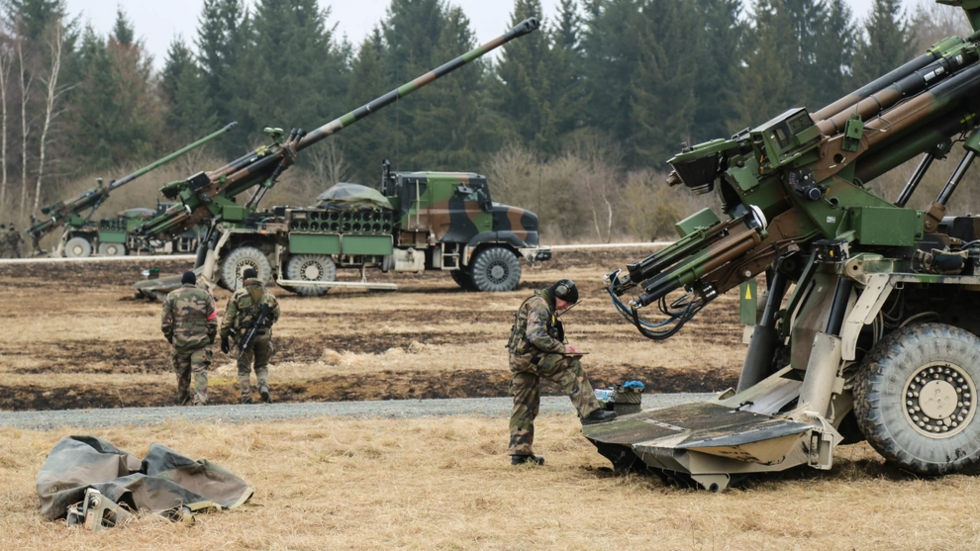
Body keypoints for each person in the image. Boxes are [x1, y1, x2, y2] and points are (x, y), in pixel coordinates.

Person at [506, 279, 616, 466]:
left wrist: (562, 346)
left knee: (525, 403)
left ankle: (520, 454)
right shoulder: (540, 305)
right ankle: (590, 411)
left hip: (519, 359)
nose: (566, 307)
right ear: (559, 295)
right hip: (531, 358)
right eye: (567, 302)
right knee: (571, 367)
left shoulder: (539, 302)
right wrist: (563, 349)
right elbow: (536, 336)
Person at [220, 268, 281, 404]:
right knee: (262, 365)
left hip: (244, 337)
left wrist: (224, 337)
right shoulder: (268, 295)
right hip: (264, 336)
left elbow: (227, 320)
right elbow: (276, 314)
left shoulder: (238, 295)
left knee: (244, 368)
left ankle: (246, 398)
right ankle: (264, 387)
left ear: (244, 280)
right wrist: (266, 323)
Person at [161, 271, 217, 406]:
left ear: (182, 282)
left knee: (182, 376)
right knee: (200, 373)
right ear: (194, 282)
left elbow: (165, 324)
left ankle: (184, 404)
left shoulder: (171, 297)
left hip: (180, 344)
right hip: (200, 343)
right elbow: (213, 322)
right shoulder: (206, 296)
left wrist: (173, 339)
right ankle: (200, 402)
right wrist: (209, 339)